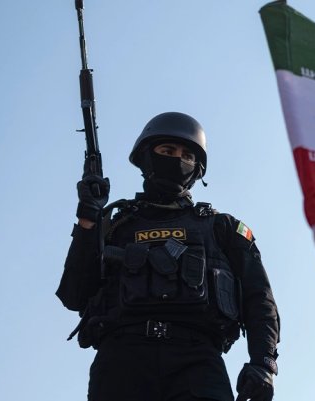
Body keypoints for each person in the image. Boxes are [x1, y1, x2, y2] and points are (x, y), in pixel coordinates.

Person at [57, 112, 280, 401]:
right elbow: (74, 295)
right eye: (167, 151)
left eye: (187, 154)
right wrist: (88, 218)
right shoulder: (115, 226)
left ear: (197, 168)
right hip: (122, 362)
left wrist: (264, 363)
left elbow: (259, 298)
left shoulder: (222, 228)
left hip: (197, 362)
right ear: (147, 157)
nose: (177, 159)